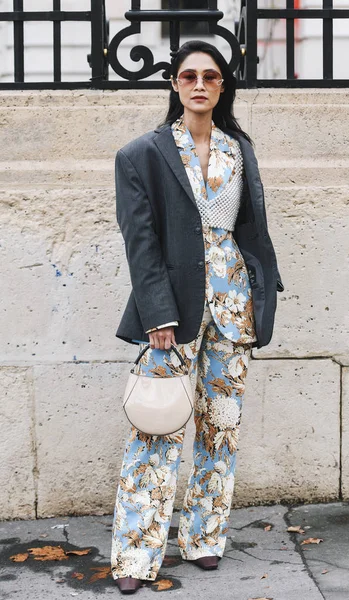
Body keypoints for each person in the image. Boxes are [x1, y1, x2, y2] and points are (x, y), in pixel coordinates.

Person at [110, 39, 284, 595]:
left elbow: (251, 231)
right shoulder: (142, 154)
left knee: (221, 427)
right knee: (156, 428)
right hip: (173, 308)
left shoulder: (239, 150)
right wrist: (156, 311)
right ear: (174, 85)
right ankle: (136, 557)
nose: (200, 84)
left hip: (234, 310)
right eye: (189, 76)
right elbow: (140, 242)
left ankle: (206, 538)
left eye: (211, 76)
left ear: (223, 85)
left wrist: (263, 291)